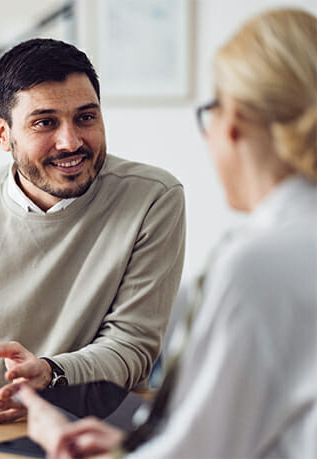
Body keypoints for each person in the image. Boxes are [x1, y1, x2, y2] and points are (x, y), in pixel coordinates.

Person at [17, 8, 317, 458]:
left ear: (231, 120)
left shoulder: (258, 263)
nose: (70, 142)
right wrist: (131, 443)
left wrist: (61, 439)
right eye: (45, 122)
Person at [0, 38, 186, 423]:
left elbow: (132, 345)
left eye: (86, 117)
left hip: (101, 425)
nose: (71, 141)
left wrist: (51, 373)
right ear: (2, 133)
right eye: (45, 122)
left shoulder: (153, 198)